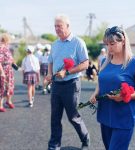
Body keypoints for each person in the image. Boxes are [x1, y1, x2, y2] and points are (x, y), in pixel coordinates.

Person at [90, 26, 135, 150]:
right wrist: (95, 93)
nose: (109, 47)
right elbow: (101, 82)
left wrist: (126, 96)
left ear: (123, 41)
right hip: (105, 115)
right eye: (107, 44)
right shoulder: (104, 62)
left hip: (124, 118)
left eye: (112, 43)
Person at [46, 14, 90, 150]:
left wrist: (67, 72)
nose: (57, 29)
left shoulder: (78, 42)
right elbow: (51, 62)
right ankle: (54, 145)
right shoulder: (54, 44)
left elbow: (86, 64)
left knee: (73, 116)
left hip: (71, 84)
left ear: (68, 26)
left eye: (59, 26)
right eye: (55, 26)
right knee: (55, 117)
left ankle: (85, 138)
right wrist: (49, 74)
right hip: (56, 85)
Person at [0, 33, 15, 112]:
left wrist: (13, 63)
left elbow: (10, 58)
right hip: (4, 70)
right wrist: (2, 72)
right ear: (6, 39)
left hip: (9, 70)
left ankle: (8, 101)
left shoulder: (7, 48)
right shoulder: (1, 48)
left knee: (10, 86)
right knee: (2, 87)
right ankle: (0, 105)